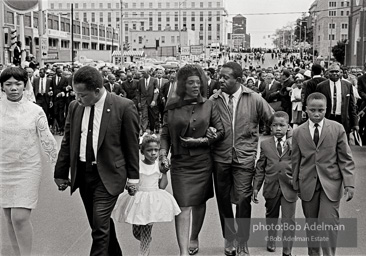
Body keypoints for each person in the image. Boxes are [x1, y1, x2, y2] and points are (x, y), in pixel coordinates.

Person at [53, 66, 140, 256]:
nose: (77, 98)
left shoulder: (123, 107)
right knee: (99, 223)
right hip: (84, 174)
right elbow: (68, 142)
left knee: (99, 228)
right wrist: (60, 173)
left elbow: (131, 145)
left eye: (82, 95)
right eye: (76, 94)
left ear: (97, 90)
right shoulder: (75, 107)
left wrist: (133, 178)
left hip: (109, 175)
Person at [209, 62, 274, 256]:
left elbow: (273, 120)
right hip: (220, 157)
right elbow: (203, 124)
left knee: (244, 199)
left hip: (245, 158)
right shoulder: (214, 99)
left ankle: (242, 240)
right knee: (223, 200)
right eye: (220, 76)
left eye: (225, 77)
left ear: (238, 80)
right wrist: (208, 130)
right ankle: (229, 237)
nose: (220, 79)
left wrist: (277, 144)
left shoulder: (254, 98)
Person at [159, 64, 224, 256]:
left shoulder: (209, 105)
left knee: (199, 202)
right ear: (182, 85)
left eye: (198, 82)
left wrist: (202, 140)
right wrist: (163, 154)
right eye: (191, 82)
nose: (196, 86)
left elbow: (221, 132)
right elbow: (165, 134)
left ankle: (194, 236)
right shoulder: (171, 107)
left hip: (203, 162)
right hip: (180, 163)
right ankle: (183, 251)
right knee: (183, 206)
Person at [0, 67, 58, 256]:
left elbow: (48, 140)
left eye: (18, 84)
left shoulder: (35, 111)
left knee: (19, 217)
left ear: (25, 85)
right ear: (2, 87)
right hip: (3, 168)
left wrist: (58, 169)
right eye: (8, 84)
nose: (13, 88)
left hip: (27, 168)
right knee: (9, 216)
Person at [292, 92, 355, 256]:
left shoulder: (337, 128)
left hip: (331, 184)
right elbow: (295, 161)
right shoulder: (298, 132)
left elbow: (345, 158)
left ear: (326, 109)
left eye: (321, 110)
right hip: (307, 185)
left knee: (328, 224)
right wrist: (295, 184)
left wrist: (349, 184)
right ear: (306, 110)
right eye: (312, 110)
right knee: (312, 226)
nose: (317, 113)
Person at [112, 134, 181, 256]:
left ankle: (144, 252)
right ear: (142, 151)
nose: (153, 153)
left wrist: (164, 173)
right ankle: (145, 241)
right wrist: (130, 187)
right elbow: (129, 182)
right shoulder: (137, 165)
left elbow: (162, 186)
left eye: (156, 150)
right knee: (137, 232)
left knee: (146, 230)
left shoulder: (158, 166)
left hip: (152, 201)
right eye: (149, 150)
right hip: (138, 200)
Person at [252, 111, 297, 256]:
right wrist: (256, 187)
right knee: (271, 216)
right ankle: (271, 238)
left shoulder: (294, 143)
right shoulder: (265, 144)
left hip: (289, 187)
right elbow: (260, 167)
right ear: (270, 127)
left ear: (288, 127)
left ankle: (287, 249)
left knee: (288, 220)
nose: (278, 128)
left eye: (282, 125)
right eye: (275, 125)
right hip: (271, 187)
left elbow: (300, 165)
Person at [315, 63, 359, 136]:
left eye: (337, 71)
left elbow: (352, 106)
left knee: (343, 144)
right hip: (327, 118)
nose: (335, 73)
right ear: (328, 73)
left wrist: (355, 123)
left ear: (340, 72)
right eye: (332, 71)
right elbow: (317, 104)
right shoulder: (321, 86)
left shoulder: (347, 85)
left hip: (343, 120)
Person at [137, 68, 159, 134]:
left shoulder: (154, 80)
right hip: (143, 101)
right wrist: (139, 102)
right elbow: (138, 92)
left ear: (148, 73)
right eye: (142, 73)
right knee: (144, 116)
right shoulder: (140, 81)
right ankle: (144, 130)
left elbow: (156, 91)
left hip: (151, 101)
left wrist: (154, 100)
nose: (142, 74)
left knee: (152, 116)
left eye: (144, 73)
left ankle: (152, 130)